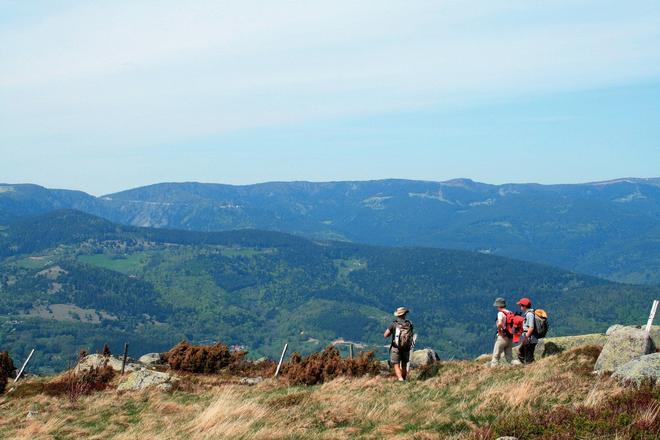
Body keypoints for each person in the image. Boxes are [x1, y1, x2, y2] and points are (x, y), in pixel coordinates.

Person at [384, 307, 414, 381]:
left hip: (396, 347)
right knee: (404, 364)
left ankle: (400, 379)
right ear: (405, 314)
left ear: (398, 315)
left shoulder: (394, 324)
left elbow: (385, 335)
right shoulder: (409, 324)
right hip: (406, 347)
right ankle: (404, 378)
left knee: (396, 364)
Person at [490, 297, 513, 366]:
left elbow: (499, 323)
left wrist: (500, 331)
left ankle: (492, 372)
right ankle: (517, 367)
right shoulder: (509, 312)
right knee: (510, 358)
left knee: (495, 357)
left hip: (502, 337)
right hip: (510, 337)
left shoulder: (500, 313)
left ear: (498, 305)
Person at [517, 297, 537, 364]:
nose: (520, 307)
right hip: (528, 339)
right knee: (522, 354)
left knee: (529, 359)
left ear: (524, 306)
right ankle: (530, 368)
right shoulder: (528, 314)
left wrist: (526, 338)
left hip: (529, 340)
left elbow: (531, 327)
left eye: (520, 305)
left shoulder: (529, 314)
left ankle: (532, 370)